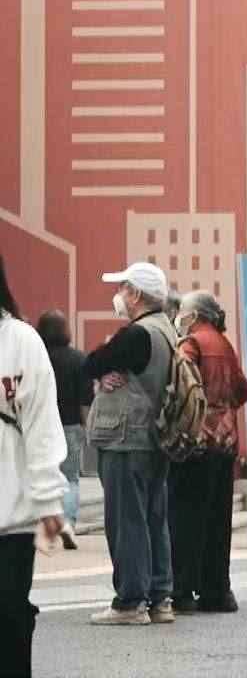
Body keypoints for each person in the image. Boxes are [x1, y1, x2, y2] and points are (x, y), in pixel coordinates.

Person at [84, 261, 179, 626]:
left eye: (123, 287)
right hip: (154, 438)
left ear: (137, 294)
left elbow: (91, 363)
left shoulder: (137, 334)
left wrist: (103, 368)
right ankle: (160, 598)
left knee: (127, 522)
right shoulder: (167, 329)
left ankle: (130, 602)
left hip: (127, 439)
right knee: (154, 519)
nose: (119, 294)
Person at [2, 254, 68, 674]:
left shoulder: (21, 342)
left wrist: (48, 500)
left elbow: (42, 426)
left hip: (11, 518)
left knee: (9, 621)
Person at [168, 291, 247, 615]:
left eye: (183, 311)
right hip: (225, 443)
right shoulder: (224, 344)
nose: (180, 316)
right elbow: (244, 389)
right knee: (218, 519)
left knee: (186, 518)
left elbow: (180, 382)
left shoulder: (191, 343)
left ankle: (182, 591)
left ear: (195, 314)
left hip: (196, 442)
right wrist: (223, 409)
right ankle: (217, 590)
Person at [36, 311, 88, 549]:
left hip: (41, 425)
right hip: (70, 424)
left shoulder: (37, 356)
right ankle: (67, 523)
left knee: (42, 476)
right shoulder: (78, 358)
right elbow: (85, 397)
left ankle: (44, 527)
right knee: (70, 478)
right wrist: (85, 426)